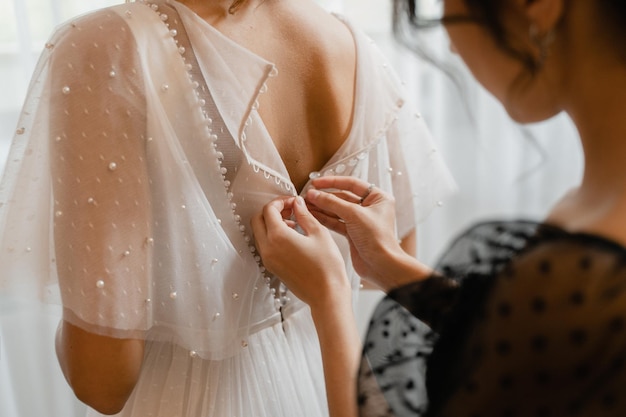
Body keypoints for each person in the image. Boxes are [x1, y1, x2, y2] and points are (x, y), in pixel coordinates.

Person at [0, 0, 455, 416]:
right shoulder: (352, 43)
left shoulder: (106, 49)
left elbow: (102, 382)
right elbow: (394, 256)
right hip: (328, 381)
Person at [251, 0, 626, 416]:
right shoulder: (598, 220)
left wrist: (331, 297)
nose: (450, 46)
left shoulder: (591, 267)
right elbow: (551, 351)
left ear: (538, 7)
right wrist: (391, 266)